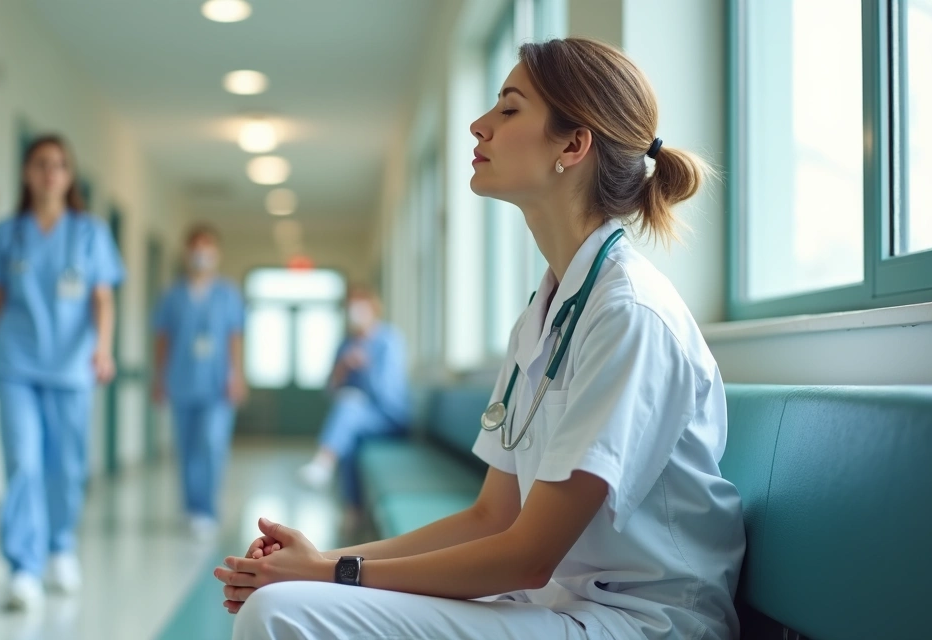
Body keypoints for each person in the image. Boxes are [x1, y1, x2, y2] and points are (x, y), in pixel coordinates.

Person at [214, 37, 746, 640]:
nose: (478, 124)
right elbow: (492, 516)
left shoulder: (630, 315)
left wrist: (330, 572)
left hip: (640, 623)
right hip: (553, 602)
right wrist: (320, 562)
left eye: (509, 109)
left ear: (573, 145)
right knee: (289, 602)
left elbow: (526, 553)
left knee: (281, 612)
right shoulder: (549, 309)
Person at [0, 134, 124, 611]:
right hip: (14, 362)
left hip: (72, 366)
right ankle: (23, 568)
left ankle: (60, 545)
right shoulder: (8, 232)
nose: (49, 173)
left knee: (67, 466)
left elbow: (102, 297)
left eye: (58, 165)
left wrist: (103, 349)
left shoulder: (90, 232)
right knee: (23, 464)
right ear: (26, 173)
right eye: (40, 164)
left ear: (70, 175)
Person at [151, 224, 247, 540]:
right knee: (187, 446)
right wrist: (159, 377)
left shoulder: (228, 294)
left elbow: (234, 338)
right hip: (181, 379)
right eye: (195, 246)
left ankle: (206, 508)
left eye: (207, 247)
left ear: (217, 253)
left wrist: (236, 375)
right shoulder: (172, 295)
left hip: (218, 383)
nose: (201, 253)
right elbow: (162, 339)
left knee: (211, 443)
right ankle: (191, 508)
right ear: (186, 251)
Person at [297, 285, 410, 514]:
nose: (355, 311)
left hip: (390, 420)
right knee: (349, 440)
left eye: (360, 304)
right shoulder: (346, 345)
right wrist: (342, 368)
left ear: (373, 308)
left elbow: (390, 395)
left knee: (350, 405)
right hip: (358, 423)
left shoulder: (389, 340)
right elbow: (330, 391)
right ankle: (352, 510)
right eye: (351, 306)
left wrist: (367, 368)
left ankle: (324, 462)